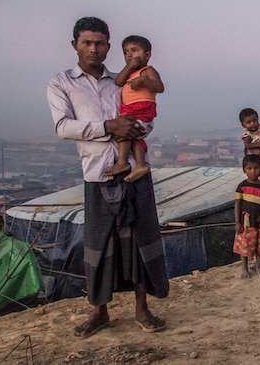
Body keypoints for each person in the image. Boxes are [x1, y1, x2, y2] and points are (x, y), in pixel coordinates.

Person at [47, 17, 169, 337]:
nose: (93, 48)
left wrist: (135, 128)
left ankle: (142, 309)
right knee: (99, 245)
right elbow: (63, 127)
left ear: (108, 47)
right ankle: (98, 312)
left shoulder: (123, 80)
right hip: (97, 173)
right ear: (75, 45)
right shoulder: (62, 83)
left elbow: (146, 112)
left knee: (140, 241)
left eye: (100, 43)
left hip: (132, 170)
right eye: (87, 42)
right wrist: (107, 128)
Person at [103, 35, 164, 183]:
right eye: (126, 52)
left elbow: (160, 87)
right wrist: (129, 66)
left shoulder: (147, 70)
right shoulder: (130, 72)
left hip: (142, 108)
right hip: (130, 109)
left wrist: (144, 81)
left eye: (134, 51)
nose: (129, 54)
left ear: (147, 55)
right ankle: (140, 165)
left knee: (125, 129)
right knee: (130, 134)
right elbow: (118, 81)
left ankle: (123, 162)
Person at [233, 154, 260, 279]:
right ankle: (244, 269)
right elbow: (237, 205)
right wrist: (237, 222)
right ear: (244, 170)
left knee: (259, 247)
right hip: (246, 223)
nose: (253, 171)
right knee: (245, 246)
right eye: (249, 168)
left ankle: (259, 267)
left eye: (256, 168)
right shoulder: (242, 186)